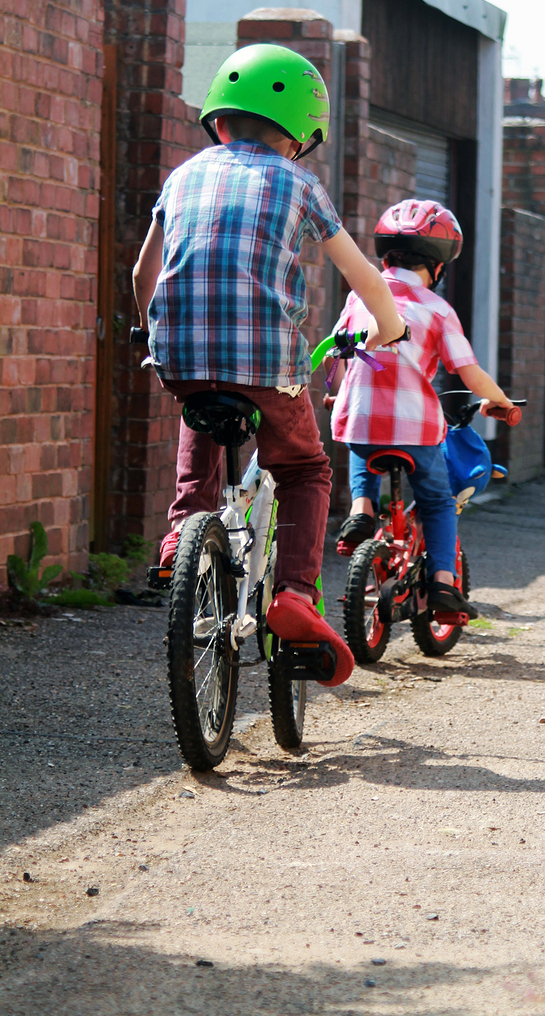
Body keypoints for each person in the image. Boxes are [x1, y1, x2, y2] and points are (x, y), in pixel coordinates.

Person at [131, 43, 406, 686]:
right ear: (302, 138)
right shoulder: (300, 184)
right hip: (268, 363)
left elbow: (142, 270)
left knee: (200, 405)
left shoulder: (182, 176)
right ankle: (294, 596)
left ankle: (180, 537)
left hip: (181, 354)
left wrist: (148, 328)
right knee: (306, 468)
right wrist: (390, 328)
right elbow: (363, 276)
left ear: (218, 122)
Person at [328, 199, 514, 614]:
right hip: (415, 429)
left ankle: (362, 509)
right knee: (437, 502)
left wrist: (338, 393)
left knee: (364, 442)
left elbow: (338, 356)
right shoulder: (437, 309)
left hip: (358, 417)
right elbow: (469, 373)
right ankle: (444, 586)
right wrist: (498, 400)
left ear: (388, 257)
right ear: (438, 267)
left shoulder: (360, 298)